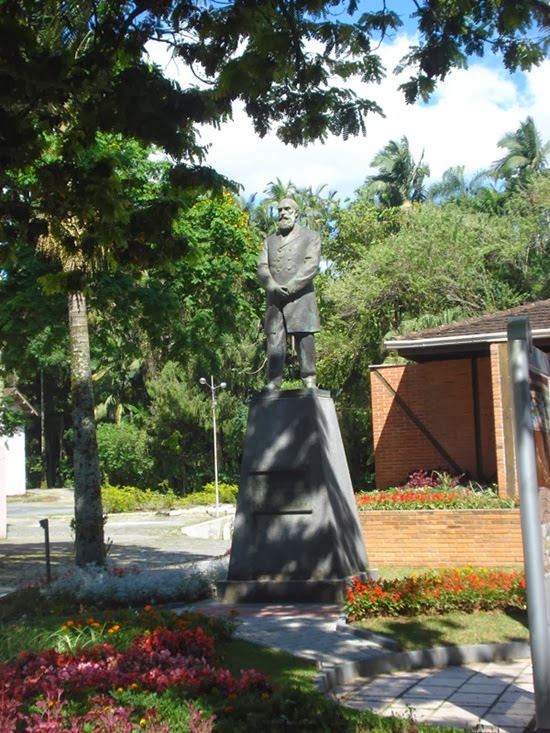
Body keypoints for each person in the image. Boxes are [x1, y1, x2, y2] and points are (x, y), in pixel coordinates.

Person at [257, 198, 321, 390]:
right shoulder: (269, 241)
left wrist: (291, 286)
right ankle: (273, 381)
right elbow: (262, 267)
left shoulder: (311, 236)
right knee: (274, 339)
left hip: (300, 297)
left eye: (287, 209)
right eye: (279, 210)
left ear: (296, 213)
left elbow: (311, 265)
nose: (283, 213)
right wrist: (273, 286)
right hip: (275, 297)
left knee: (304, 337)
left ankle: (309, 378)